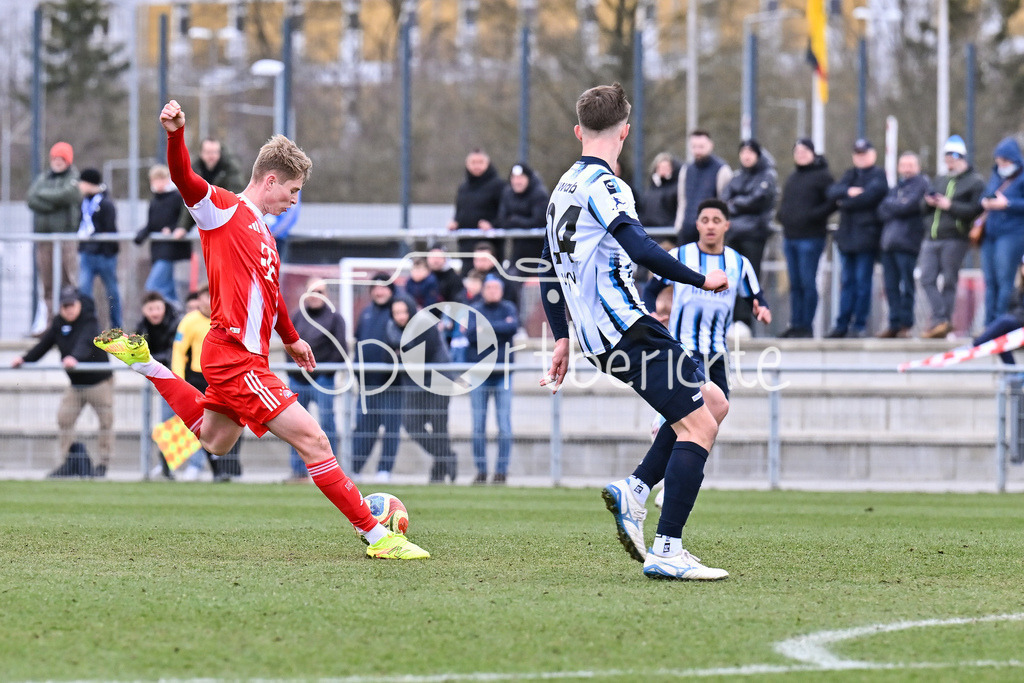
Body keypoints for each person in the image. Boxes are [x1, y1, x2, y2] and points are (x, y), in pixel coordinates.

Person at [94, 100, 427, 560]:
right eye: (291, 191)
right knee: (315, 439)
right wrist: (175, 135)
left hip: (245, 356)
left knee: (216, 439)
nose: (293, 201)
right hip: (234, 354)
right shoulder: (224, 210)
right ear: (269, 180)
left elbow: (270, 297)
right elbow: (184, 180)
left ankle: (146, 363)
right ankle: (377, 536)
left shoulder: (264, 233)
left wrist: (291, 338)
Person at [540, 83, 730, 580]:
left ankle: (638, 488)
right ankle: (667, 549)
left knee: (714, 402)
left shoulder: (561, 189)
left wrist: (562, 337)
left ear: (579, 130)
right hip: (626, 327)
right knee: (701, 426)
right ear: (625, 131)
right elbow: (643, 250)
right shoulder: (607, 187)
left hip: (601, 333)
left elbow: (547, 270)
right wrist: (702, 277)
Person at [643, 199, 771, 397]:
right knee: (700, 406)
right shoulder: (680, 256)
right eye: (705, 220)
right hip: (684, 348)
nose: (710, 225)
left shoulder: (738, 263)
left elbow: (756, 296)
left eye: (716, 220)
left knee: (720, 408)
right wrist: (651, 312)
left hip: (718, 351)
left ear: (726, 225)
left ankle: (663, 421)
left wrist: (761, 308)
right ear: (697, 225)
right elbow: (651, 290)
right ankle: (664, 422)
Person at [11, 287, 113, 478]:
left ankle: (103, 465)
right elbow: (44, 345)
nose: (69, 309)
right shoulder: (58, 323)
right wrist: (24, 359)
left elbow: (86, 341)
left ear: (79, 303)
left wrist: (74, 358)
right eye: (65, 306)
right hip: (76, 384)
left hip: (99, 382)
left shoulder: (89, 320)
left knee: (106, 422)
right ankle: (70, 461)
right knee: (64, 419)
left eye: (71, 305)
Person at [386, 296, 458, 484]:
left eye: (403, 311)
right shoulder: (391, 328)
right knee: (411, 425)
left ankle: (438, 473)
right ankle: (447, 457)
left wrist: (402, 354)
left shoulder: (425, 323)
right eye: (396, 313)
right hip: (413, 384)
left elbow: (421, 355)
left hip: (438, 381)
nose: (400, 316)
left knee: (439, 427)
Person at [920, 135, 985, 338]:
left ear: (960, 156)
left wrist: (951, 206)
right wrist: (928, 202)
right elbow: (923, 208)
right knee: (926, 278)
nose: (948, 162)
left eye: (951, 157)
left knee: (949, 280)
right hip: (932, 236)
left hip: (955, 238)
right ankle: (942, 318)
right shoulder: (940, 179)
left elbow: (975, 210)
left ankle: (943, 321)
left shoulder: (974, 182)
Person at [170, 286, 236, 481]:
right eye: (206, 297)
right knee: (199, 425)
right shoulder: (189, 321)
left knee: (208, 426)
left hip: (219, 380)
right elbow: (179, 350)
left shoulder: (226, 318)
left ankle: (167, 461)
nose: (209, 301)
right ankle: (216, 470)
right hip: (196, 378)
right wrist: (177, 380)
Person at [825, 138, 889, 338]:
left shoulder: (878, 175)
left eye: (864, 153)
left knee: (863, 283)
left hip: (866, 239)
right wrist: (849, 193)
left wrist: (845, 201)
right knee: (847, 283)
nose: (860, 158)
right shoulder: (849, 174)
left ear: (873, 154)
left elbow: (871, 196)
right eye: (857, 154)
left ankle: (859, 325)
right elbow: (832, 192)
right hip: (847, 239)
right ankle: (842, 324)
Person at [285, 278, 347, 483]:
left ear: (327, 295)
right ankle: (298, 472)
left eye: (320, 292)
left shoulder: (335, 318)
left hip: (323, 379)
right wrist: (296, 369)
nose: (315, 296)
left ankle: (332, 474)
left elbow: (340, 351)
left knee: (327, 424)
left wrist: (318, 368)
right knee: (295, 428)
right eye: (312, 291)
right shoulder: (297, 316)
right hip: (298, 379)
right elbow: (288, 344)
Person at [776, 138, 836, 338]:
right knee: (795, 284)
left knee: (808, 283)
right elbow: (785, 202)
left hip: (811, 238)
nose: (800, 154)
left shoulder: (822, 176)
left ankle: (806, 325)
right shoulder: (793, 177)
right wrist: (782, 216)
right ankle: (796, 323)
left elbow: (833, 201)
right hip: (790, 237)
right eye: (797, 151)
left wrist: (813, 216)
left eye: (804, 150)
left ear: (812, 152)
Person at [466, 275, 518, 485]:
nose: (492, 291)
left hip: (502, 375)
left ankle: (501, 472)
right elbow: (470, 334)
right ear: (483, 290)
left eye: (496, 288)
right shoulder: (474, 308)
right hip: (479, 375)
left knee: (504, 427)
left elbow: (512, 327)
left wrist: (485, 328)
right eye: (489, 287)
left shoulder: (509, 308)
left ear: (502, 290)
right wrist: (498, 328)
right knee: (478, 427)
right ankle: (481, 471)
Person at [351, 274, 403, 482]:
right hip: (367, 384)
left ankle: (384, 471)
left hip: (392, 385)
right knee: (363, 428)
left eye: (384, 287)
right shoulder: (366, 314)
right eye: (376, 287)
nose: (379, 291)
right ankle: (354, 468)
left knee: (391, 428)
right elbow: (358, 343)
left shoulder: (398, 311)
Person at [720, 139, 777, 330]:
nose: (746, 155)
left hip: (754, 235)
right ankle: (731, 320)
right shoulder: (737, 176)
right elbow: (724, 199)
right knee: (731, 278)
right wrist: (738, 204)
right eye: (743, 151)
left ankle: (744, 322)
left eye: (750, 152)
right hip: (734, 234)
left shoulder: (767, 175)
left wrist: (736, 203)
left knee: (749, 279)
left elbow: (757, 200)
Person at [877, 152, 930, 338]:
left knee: (906, 286)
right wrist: (897, 204)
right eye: (903, 165)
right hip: (888, 244)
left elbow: (908, 206)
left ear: (917, 167)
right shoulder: (896, 188)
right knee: (890, 286)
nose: (907, 169)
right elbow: (882, 209)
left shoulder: (921, 184)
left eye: (910, 165)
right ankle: (893, 323)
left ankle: (905, 324)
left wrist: (895, 205)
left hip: (907, 243)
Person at [27, 142, 81, 323]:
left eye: (61, 159)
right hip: (45, 239)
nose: (57, 162)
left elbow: (68, 195)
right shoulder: (43, 178)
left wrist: (46, 198)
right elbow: (31, 198)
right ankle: (52, 324)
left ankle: (71, 323)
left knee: (68, 282)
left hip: (65, 239)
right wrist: (55, 202)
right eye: (55, 158)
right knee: (48, 284)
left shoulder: (73, 177)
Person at [978, 136, 1024, 325]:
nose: (1001, 165)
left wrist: (1008, 204)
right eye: (999, 161)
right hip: (990, 234)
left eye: (1005, 161)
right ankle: (988, 324)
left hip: (1012, 234)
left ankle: (1000, 323)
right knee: (990, 281)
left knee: (1005, 280)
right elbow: (986, 194)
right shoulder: (996, 175)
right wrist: (986, 201)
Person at [135, 164, 190, 305]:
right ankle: (177, 318)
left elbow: (186, 219)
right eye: (155, 180)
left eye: (161, 179)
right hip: (158, 250)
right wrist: (141, 235)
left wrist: (172, 229)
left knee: (153, 288)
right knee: (168, 292)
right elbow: (152, 224)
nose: (158, 183)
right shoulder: (155, 200)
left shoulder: (177, 197)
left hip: (170, 250)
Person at [76, 168, 122, 329]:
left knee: (112, 293)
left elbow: (110, 229)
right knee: (84, 292)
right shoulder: (84, 203)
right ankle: (88, 327)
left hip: (105, 255)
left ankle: (117, 327)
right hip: (87, 254)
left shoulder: (106, 203)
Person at [446, 148, 505, 267]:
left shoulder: (499, 185)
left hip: (490, 245)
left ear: (488, 164)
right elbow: (460, 211)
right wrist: (456, 222)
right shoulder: (463, 187)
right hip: (466, 245)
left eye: (480, 162)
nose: (476, 166)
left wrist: (492, 225)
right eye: (473, 162)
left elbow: (505, 214)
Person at [673, 130, 734, 245]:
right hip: (686, 230)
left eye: (701, 146)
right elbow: (682, 201)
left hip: (711, 233)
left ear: (710, 145)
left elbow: (726, 203)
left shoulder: (722, 170)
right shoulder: (686, 170)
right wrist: (679, 225)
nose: (697, 150)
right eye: (694, 146)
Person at [175, 137, 245, 233]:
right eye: (208, 152)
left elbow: (235, 195)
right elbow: (190, 199)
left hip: (226, 215)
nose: (211, 156)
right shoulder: (195, 170)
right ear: (201, 153)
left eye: (214, 152)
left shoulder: (230, 168)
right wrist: (183, 227)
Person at [972, 257, 1024, 365]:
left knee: (1005, 321)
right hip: (1018, 325)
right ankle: (1012, 372)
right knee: (998, 335)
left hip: (1018, 323)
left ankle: (978, 343)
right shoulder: (1018, 290)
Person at [497, 162, 549, 267]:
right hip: (517, 253)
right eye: (514, 178)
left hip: (539, 253)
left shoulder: (540, 194)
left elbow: (540, 221)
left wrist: (515, 220)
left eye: (521, 177)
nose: (517, 181)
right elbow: (502, 220)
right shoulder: (507, 193)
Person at [638, 152, 681, 228]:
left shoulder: (676, 189)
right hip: (649, 232)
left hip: (668, 233)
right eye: (660, 167)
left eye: (666, 167)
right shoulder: (650, 190)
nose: (663, 170)